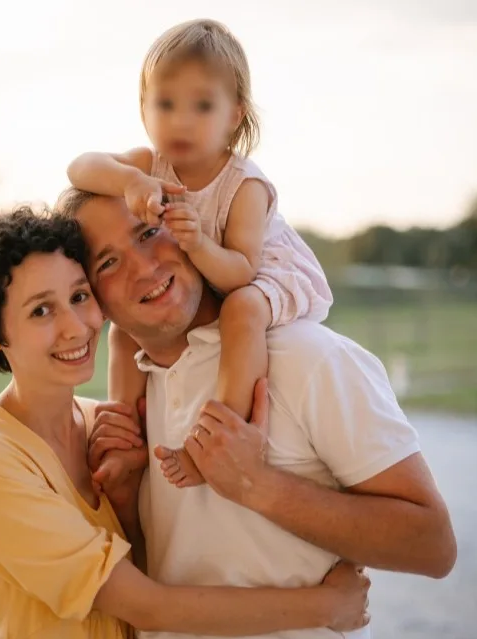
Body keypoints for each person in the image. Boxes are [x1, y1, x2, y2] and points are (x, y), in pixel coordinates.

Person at [0, 207, 370, 639]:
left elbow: (145, 568)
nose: (76, 326)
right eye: (41, 310)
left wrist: (126, 498)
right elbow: (144, 605)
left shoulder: (103, 426)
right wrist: (325, 607)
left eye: (79, 296)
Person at [56, 187, 457, 639]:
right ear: (93, 300)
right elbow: (154, 585)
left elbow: (433, 545)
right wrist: (125, 498)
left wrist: (258, 486)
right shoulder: (133, 399)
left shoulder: (308, 358)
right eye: (107, 262)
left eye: (149, 232)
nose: (143, 266)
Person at [67, 18, 333, 487]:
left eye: (202, 106)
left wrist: (198, 244)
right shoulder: (151, 163)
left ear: (235, 115)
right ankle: (123, 438)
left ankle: (217, 442)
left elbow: (240, 272)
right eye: (165, 104)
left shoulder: (244, 186)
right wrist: (129, 181)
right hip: (209, 266)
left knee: (241, 311)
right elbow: (79, 168)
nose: (181, 121)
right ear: (144, 109)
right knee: (125, 333)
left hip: (260, 273)